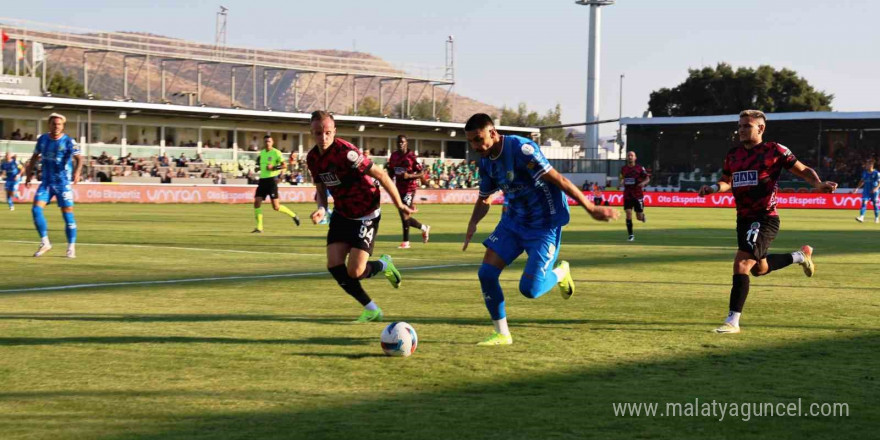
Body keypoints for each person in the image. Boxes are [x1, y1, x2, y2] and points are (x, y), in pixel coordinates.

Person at [462, 113, 618, 346]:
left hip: (545, 225)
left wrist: (589, 207)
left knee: (530, 290)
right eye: (471, 141)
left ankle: (560, 272)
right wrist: (473, 223)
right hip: (513, 223)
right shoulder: (485, 162)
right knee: (486, 274)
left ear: (493, 133)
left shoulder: (521, 149)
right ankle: (502, 334)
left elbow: (558, 179)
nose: (475, 146)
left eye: (478, 138)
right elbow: (484, 198)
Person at [699, 109, 837, 334]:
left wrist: (818, 184)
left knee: (742, 263)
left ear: (760, 128)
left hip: (765, 218)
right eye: (740, 126)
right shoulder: (733, 155)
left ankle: (732, 322)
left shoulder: (774, 150)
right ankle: (800, 256)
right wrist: (713, 188)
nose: (742, 130)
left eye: (747, 126)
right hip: (743, 219)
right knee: (759, 269)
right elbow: (727, 181)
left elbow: (802, 170)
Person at [306, 111, 413, 323]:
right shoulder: (313, 158)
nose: (323, 137)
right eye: (319, 133)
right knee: (334, 264)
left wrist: (400, 204)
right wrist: (321, 208)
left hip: (366, 213)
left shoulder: (346, 153)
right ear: (312, 133)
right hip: (342, 213)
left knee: (355, 271)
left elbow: (381, 175)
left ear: (334, 132)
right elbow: (320, 188)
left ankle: (384, 265)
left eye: (327, 133)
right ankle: (371, 309)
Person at [24, 113, 83, 258]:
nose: (56, 126)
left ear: (62, 126)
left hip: (63, 183)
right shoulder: (43, 139)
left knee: (67, 214)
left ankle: (71, 247)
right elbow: (34, 157)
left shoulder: (69, 141)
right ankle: (45, 242)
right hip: (47, 182)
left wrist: (77, 172)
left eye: (59, 124)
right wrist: (28, 174)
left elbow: (79, 158)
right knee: (36, 209)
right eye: (53, 124)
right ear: (49, 125)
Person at [386, 134, 431, 249]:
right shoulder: (394, 156)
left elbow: (422, 173)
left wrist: (409, 175)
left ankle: (406, 242)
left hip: (409, 189)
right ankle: (424, 228)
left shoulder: (412, 157)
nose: (400, 144)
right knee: (403, 215)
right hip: (398, 188)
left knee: (404, 214)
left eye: (402, 142)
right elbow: (391, 171)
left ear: (406, 143)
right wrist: (389, 183)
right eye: (398, 142)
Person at [252, 135, 300, 233]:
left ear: (272, 142)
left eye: (269, 141)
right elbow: (262, 166)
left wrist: (273, 167)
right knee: (257, 203)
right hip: (262, 181)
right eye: (265, 141)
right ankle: (259, 227)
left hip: (271, 181)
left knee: (276, 207)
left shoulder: (276, 153)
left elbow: (284, 165)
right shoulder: (262, 153)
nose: (267, 143)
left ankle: (293, 215)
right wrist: (258, 168)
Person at [619, 151, 650, 241]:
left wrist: (643, 183)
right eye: (628, 155)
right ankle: (631, 235)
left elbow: (647, 178)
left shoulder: (640, 168)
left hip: (637, 195)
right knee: (628, 213)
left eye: (631, 155)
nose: (630, 157)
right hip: (627, 195)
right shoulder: (623, 169)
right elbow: (622, 178)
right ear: (626, 158)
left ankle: (643, 217)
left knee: (638, 217)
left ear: (635, 158)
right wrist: (620, 183)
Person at [852, 158, 879, 223]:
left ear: (871, 165)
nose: (866, 166)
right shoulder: (864, 173)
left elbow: (879, 182)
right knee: (864, 203)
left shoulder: (876, 173)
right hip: (866, 190)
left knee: (875, 204)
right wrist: (857, 188)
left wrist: (876, 188)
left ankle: (876, 218)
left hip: (874, 191)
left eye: (867, 165)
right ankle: (861, 217)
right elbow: (862, 181)